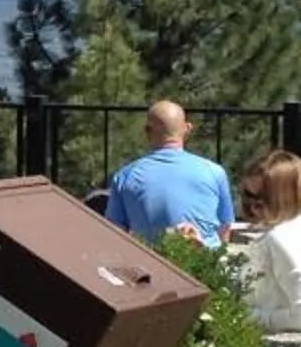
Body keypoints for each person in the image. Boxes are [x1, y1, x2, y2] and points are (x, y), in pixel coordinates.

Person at [236, 148, 301, 335]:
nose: (251, 206)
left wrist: (244, 317)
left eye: (259, 199)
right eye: (246, 196)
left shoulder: (281, 238)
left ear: (283, 198)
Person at [100, 101, 235, 246]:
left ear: (147, 131)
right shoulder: (214, 172)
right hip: (204, 258)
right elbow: (225, 228)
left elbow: (115, 232)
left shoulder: (125, 177)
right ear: (187, 128)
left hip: (150, 258)